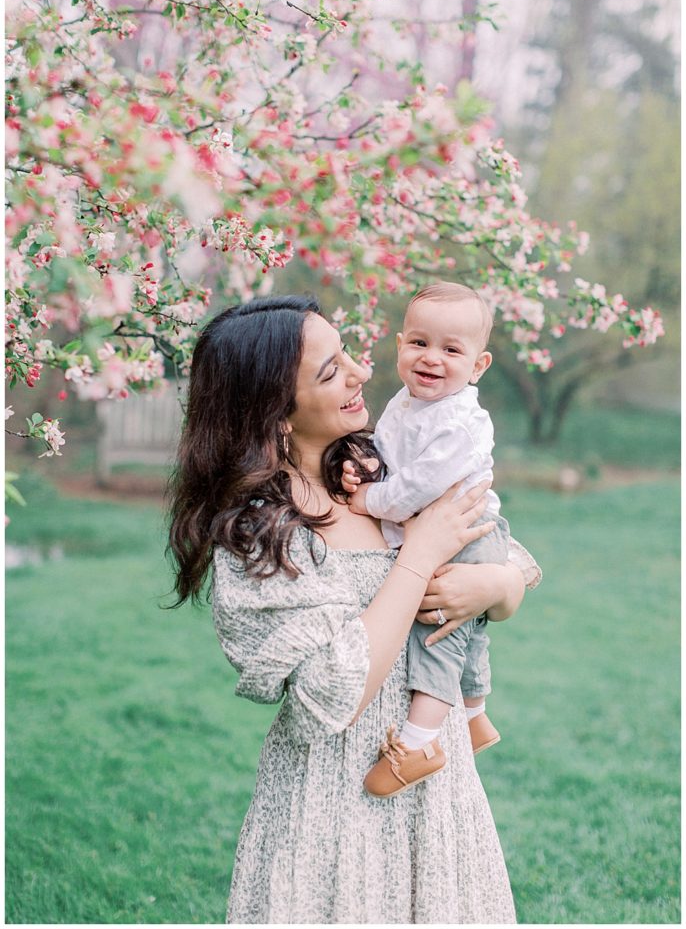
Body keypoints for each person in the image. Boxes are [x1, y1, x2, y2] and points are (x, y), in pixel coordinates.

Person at [168, 294, 540, 925]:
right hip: (336, 804)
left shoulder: (383, 470)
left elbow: (512, 559)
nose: (362, 372)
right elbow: (329, 698)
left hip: (434, 787)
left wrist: (498, 589)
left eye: (348, 355)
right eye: (330, 370)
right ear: (275, 416)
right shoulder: (265, 533)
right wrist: (418, 557)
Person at [341, 281, 512, 799]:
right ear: (399, 345)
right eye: (419, 343)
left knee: (438, 630)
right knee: (469, 628)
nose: (431, 358)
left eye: (451, 350)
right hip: (450, 527)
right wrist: (366, 466)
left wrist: (367, 500)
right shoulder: (406, 401)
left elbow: (417, 487)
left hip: (468, 533)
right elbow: (391, 454)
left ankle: (419, 741)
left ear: (478, 366)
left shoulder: (462, 421)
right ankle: (475, 711)